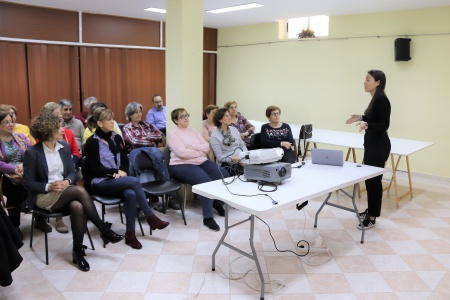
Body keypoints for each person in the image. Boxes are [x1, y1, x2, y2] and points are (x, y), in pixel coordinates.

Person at [23, 114, 124, 271]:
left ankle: (78, 251)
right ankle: (103, 229)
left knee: (77, 206)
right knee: (79, 191)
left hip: (66, 191)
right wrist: (49, 187)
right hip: (43, 196)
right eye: (58, 127)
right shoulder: (33, 153)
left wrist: (67, 181)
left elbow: (72, 172)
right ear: (48, 131)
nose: (63, 130)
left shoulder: (62, 147)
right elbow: (28, 183)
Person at [84, 107, 170, 250]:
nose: (113, 122)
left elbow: (125, 160)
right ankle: (151, 216)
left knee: (130, 194)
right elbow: (94, 168)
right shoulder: (92, 143)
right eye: (109, 119)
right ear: (99, 123)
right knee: (135, 181)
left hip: (118, 179)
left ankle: (130, 234)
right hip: (100, 182)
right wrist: (114, 173)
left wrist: (122, 171)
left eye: (113, 119)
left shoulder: (117, 138)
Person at [168, 108, 229, 231]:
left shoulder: (193, 131)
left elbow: (206, 146)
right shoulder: (173, 134)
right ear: (175, 120)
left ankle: (217, 203)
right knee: (205, 181)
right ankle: (208, 217)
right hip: (180, 165)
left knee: (224, 174)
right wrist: (198, 152)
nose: (186, 118)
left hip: (200, 161)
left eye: (187, 115)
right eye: (182, 116)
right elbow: (182, 153)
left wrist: (193, 148)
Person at [346, 69, 391, 230]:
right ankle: (371, 210)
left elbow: (384, 125)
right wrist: (361, 118)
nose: (364, 82)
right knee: (370, 180)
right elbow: (374, 119)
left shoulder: (380, 99)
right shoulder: (375, 98)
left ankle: (372, 217)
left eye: (368, 79)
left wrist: (368, 124)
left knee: (374, 182)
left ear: (377, 83)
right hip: (373, 145)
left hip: (378, 147)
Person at [0, 111, 51, 239]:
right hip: (6, 174)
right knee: (14, 191)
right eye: (6, 122)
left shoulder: (20, 137)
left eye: (11, 121)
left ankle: (40, 219)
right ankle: (15, 225)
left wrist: (24, 166)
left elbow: (31, 152)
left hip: (25, 169)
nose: (11, 124)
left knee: (39, 184)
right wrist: (13, 169)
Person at [41, 102, 82, 234]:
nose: (61, 118)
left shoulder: (67, 133)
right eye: (57, 116)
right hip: (50, 178)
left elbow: (76, 152)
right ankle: (60, 219)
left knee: (73, 183)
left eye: (60, 116)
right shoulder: (40, 143)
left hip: (67, 171)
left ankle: (83, 216)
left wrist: (72, 165)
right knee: (77, 191)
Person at [210, 108, 247, 175]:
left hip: (241, 158)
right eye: (226, 116)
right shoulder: (215, 136)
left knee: (257, 168)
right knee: (246, 173)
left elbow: (242, 145)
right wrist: (233, 159)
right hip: (228, 162)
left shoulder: (234, 129)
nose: (229, 118)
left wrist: (246, 156)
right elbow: (220, 157)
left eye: (229, 115)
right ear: (220, 120)